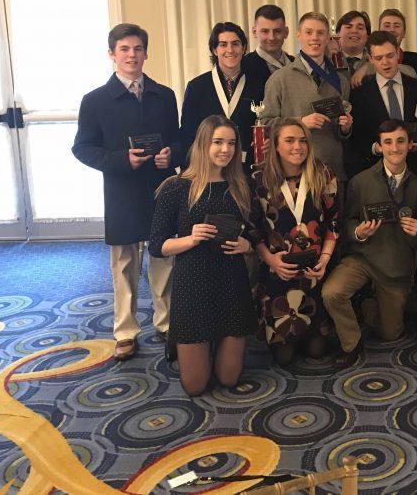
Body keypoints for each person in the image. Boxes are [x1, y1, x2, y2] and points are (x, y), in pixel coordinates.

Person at [73, 23, 181, 361]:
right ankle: (125, 331)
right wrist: (121, 160)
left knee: (163, 259)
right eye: (124, 49)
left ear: (146, 53)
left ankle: (166, 325)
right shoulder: (94, 101)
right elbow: (83, 148)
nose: (132, 55)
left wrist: (171, 155)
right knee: (124, 265)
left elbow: (177, 139)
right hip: (121, 189)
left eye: (137, 49)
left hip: (160, 187)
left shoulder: (164, 95)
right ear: (112, 55)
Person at [148, 115, 255, 395]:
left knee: (229, 379)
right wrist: (190, 239)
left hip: (232, 285)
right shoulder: (176, 187)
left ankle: (214, 345)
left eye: (231, 143)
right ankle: (190, 345)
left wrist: (248, 245)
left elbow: (256, 233)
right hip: (194, 287)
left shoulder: (241, 184)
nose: (225, 150)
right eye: (218, 142)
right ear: (203, 144)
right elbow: (156, 246)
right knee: (195, 386)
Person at [322, 119, 417, 367]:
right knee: (332, 293)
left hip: (395, 265)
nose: (395, 148)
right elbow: (345, 222)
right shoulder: (361, 181)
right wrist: (358, 231)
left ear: (410, 145)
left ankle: (368, 306)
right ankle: (351, 343)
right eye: (387, 142)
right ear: (379, 147)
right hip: (362, 257)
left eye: (401, 141)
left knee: (390, 333)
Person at [249, 118, 340, 364]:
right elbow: (254, 229)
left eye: (302, 141)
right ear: (275, 145)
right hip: (279, 273)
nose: (297, 147)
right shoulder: (259, 178)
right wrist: (270, 260)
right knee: (284, 358)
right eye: (289, 141)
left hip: (314, 272)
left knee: (317, 352)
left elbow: (334, 221)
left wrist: (324, 259)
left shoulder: (323, 173)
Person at [260, 12, 353, 184]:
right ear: (298, 35)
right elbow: (265, 123)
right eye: (309, 32)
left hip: (332, 171)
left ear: (328, 38)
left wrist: (345, 128)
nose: (314, 38)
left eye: (320, 33)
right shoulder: (279, 79)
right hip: (293, 173)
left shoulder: (341, 81)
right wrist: (300, 122)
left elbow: (341, 133)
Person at [348, 30, 417, 177]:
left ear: (398, 54)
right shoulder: (359, 94)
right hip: (376, 172)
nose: (385, 62)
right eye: (378, 57)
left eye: (390, 56)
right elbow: (357, 136)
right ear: (370, 59)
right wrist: (375, 147)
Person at [180, 21, 264, 168]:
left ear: (243, 48)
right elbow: (188, 134)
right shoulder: (197, 87)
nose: (230, 50)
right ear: (214, 49)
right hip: (208, 168)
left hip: (246, 168)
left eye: (235, 44)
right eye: (223, 44)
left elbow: (264, 124)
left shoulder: (258, 85)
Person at [241, 4, 294, 92]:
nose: (271, 37)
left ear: (286, 32)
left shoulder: (296, 63)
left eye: (277, 31)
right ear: (254, 32)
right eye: (265, 31)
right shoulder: (243, 66)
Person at [335, 10, 372, 75]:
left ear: (367, 37)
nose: (354, 31)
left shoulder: (376, 62)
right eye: (348, 27)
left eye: (360, 28)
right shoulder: (328, 60)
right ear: (337, 34)